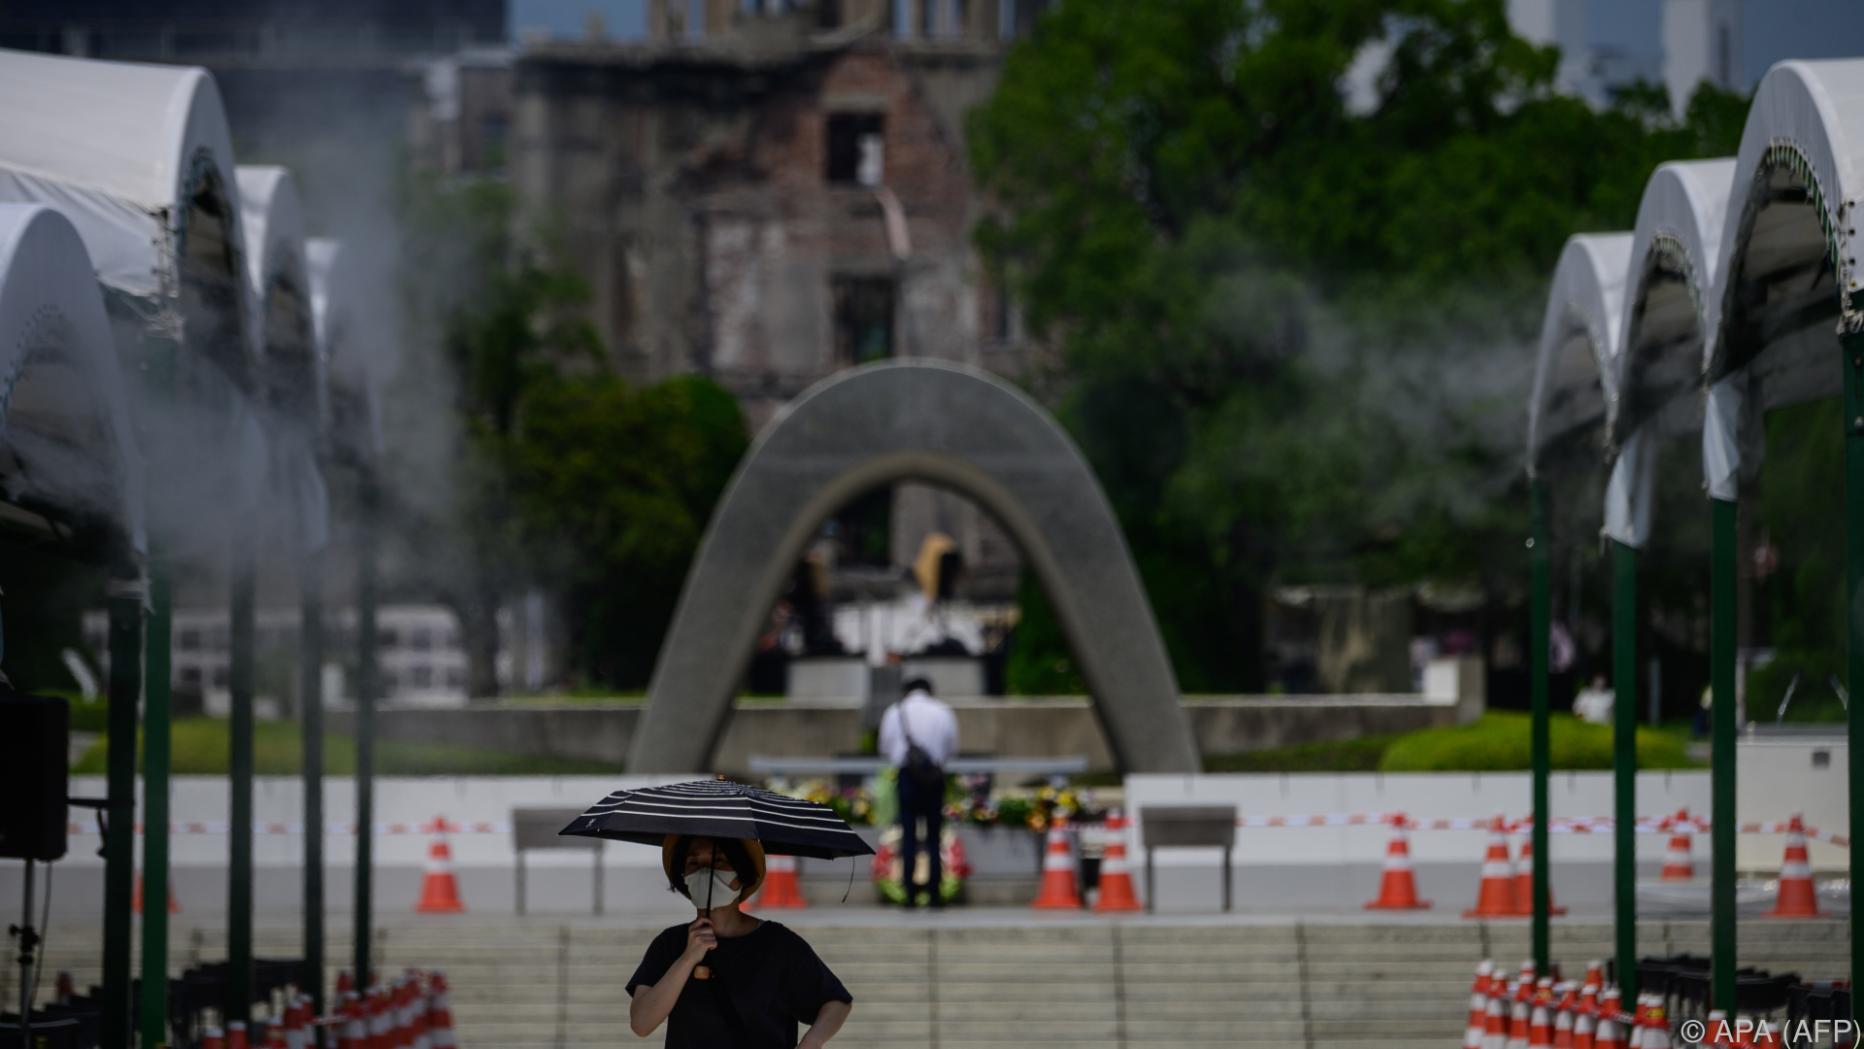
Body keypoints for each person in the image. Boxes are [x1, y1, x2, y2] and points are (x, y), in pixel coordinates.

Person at [627, 835, 853, 1047]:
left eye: (719, 861)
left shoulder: (777, 943)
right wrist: (687, 958)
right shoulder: (669, 944)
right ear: (682, 877)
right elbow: (641, 1024)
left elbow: (837, 1002)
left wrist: (810, 1044)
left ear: (742, 873)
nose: (705, 872)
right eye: (694, 864)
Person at [878, 676, 958, 907]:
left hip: (907, 777)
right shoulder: (943, 711)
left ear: (907, 691)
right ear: (930, 690)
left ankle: (910, 893)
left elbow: (885, 748)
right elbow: (951, 749)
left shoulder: (896, 711)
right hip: (934, 777)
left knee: (909, 835)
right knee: (934, 837)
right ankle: (934, 892)